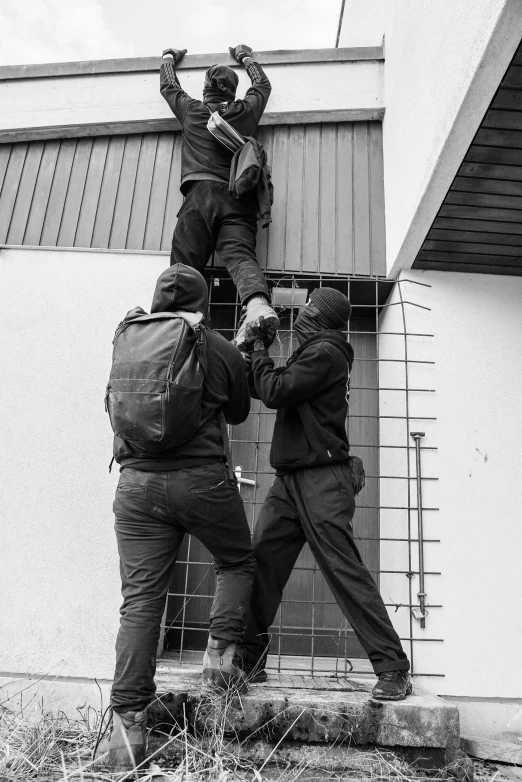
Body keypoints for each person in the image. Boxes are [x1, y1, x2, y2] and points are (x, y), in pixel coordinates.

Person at [97, 264, 255, 770]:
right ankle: (219, 663)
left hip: (136, 486)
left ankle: (126, 732)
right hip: (201, 481)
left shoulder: (130, 338)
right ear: (201, 304)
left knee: (141, 600)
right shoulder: (213, 344)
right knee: (235, 560)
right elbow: (237, 414)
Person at [238, 288, 412, 701]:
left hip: (321, 481)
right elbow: (271, 386)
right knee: (263, 562)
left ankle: (393, 668)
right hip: (291, 479)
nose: (301, 316)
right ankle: (250, 659)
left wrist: (260, 348)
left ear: (323, 317)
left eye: (308, 310)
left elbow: (277, 389)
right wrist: (243, 361)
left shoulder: (327, 353)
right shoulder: (313, 353)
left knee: (343, 570)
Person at [159, 44, 279, 350]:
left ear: (205, 89)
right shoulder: (246, 110)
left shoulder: (192, 110)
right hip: (238, 196)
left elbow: (167, 85)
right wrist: (246, 57)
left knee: (184, 266)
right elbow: (263, 85)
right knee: (240, 257)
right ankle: (257, 308)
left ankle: (189, 327)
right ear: (232, 90)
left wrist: (169, 58)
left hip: (199, 195)